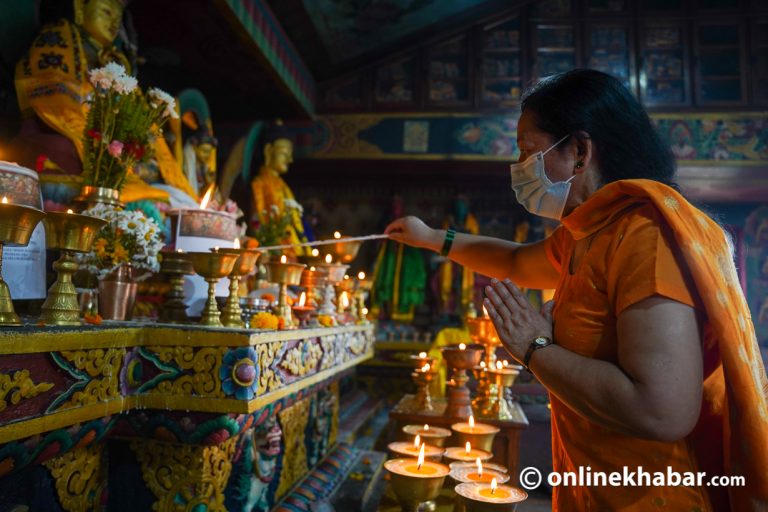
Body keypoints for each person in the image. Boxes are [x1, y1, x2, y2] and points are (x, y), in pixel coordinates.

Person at [386, 69, 768, 511]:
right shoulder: (587, 232)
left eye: (530, 151)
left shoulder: (644, 236)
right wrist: (431, 237)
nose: (520, 167)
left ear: (580, 151)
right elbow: (514, 261)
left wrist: (534, 347)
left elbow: (663, 411)